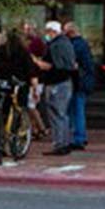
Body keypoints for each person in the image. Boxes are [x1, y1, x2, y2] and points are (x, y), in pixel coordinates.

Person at [44, 21, 79, 155]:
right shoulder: (67, 43)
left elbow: (54, 66)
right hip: (65, 82)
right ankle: (64, 142)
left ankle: (59, 144)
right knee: (62, 114)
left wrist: (36, 62)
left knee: (56, 114)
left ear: (52, 31)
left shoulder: (56, 45)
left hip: (57, 83)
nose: (46, 35)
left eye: (48, 32)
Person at [66, 20, 96, 150]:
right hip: (83, 81)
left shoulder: (75, 45)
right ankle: (79, 137)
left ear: (70, 32)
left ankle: (78, 138)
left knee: (76, 110)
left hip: (78, 82)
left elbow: (72, 63)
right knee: (77, 109)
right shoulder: (82, 44)